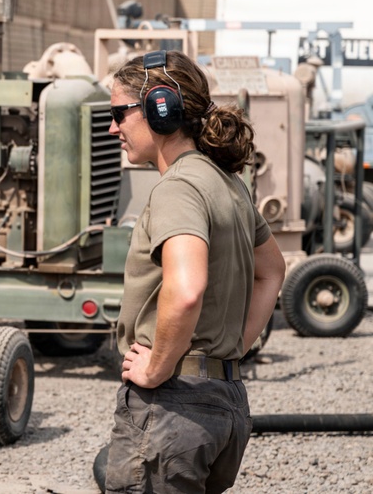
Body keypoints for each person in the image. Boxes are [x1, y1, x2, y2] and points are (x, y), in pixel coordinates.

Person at [104, 50, 286, 493]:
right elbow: (272, 271)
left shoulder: (179, 186)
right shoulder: (229, 183)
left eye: (119, 113)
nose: (113, 128)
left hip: (173, 406)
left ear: (159, 109)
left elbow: (187, 289)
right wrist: (231, 350)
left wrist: (156, 368)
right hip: (224, 402)